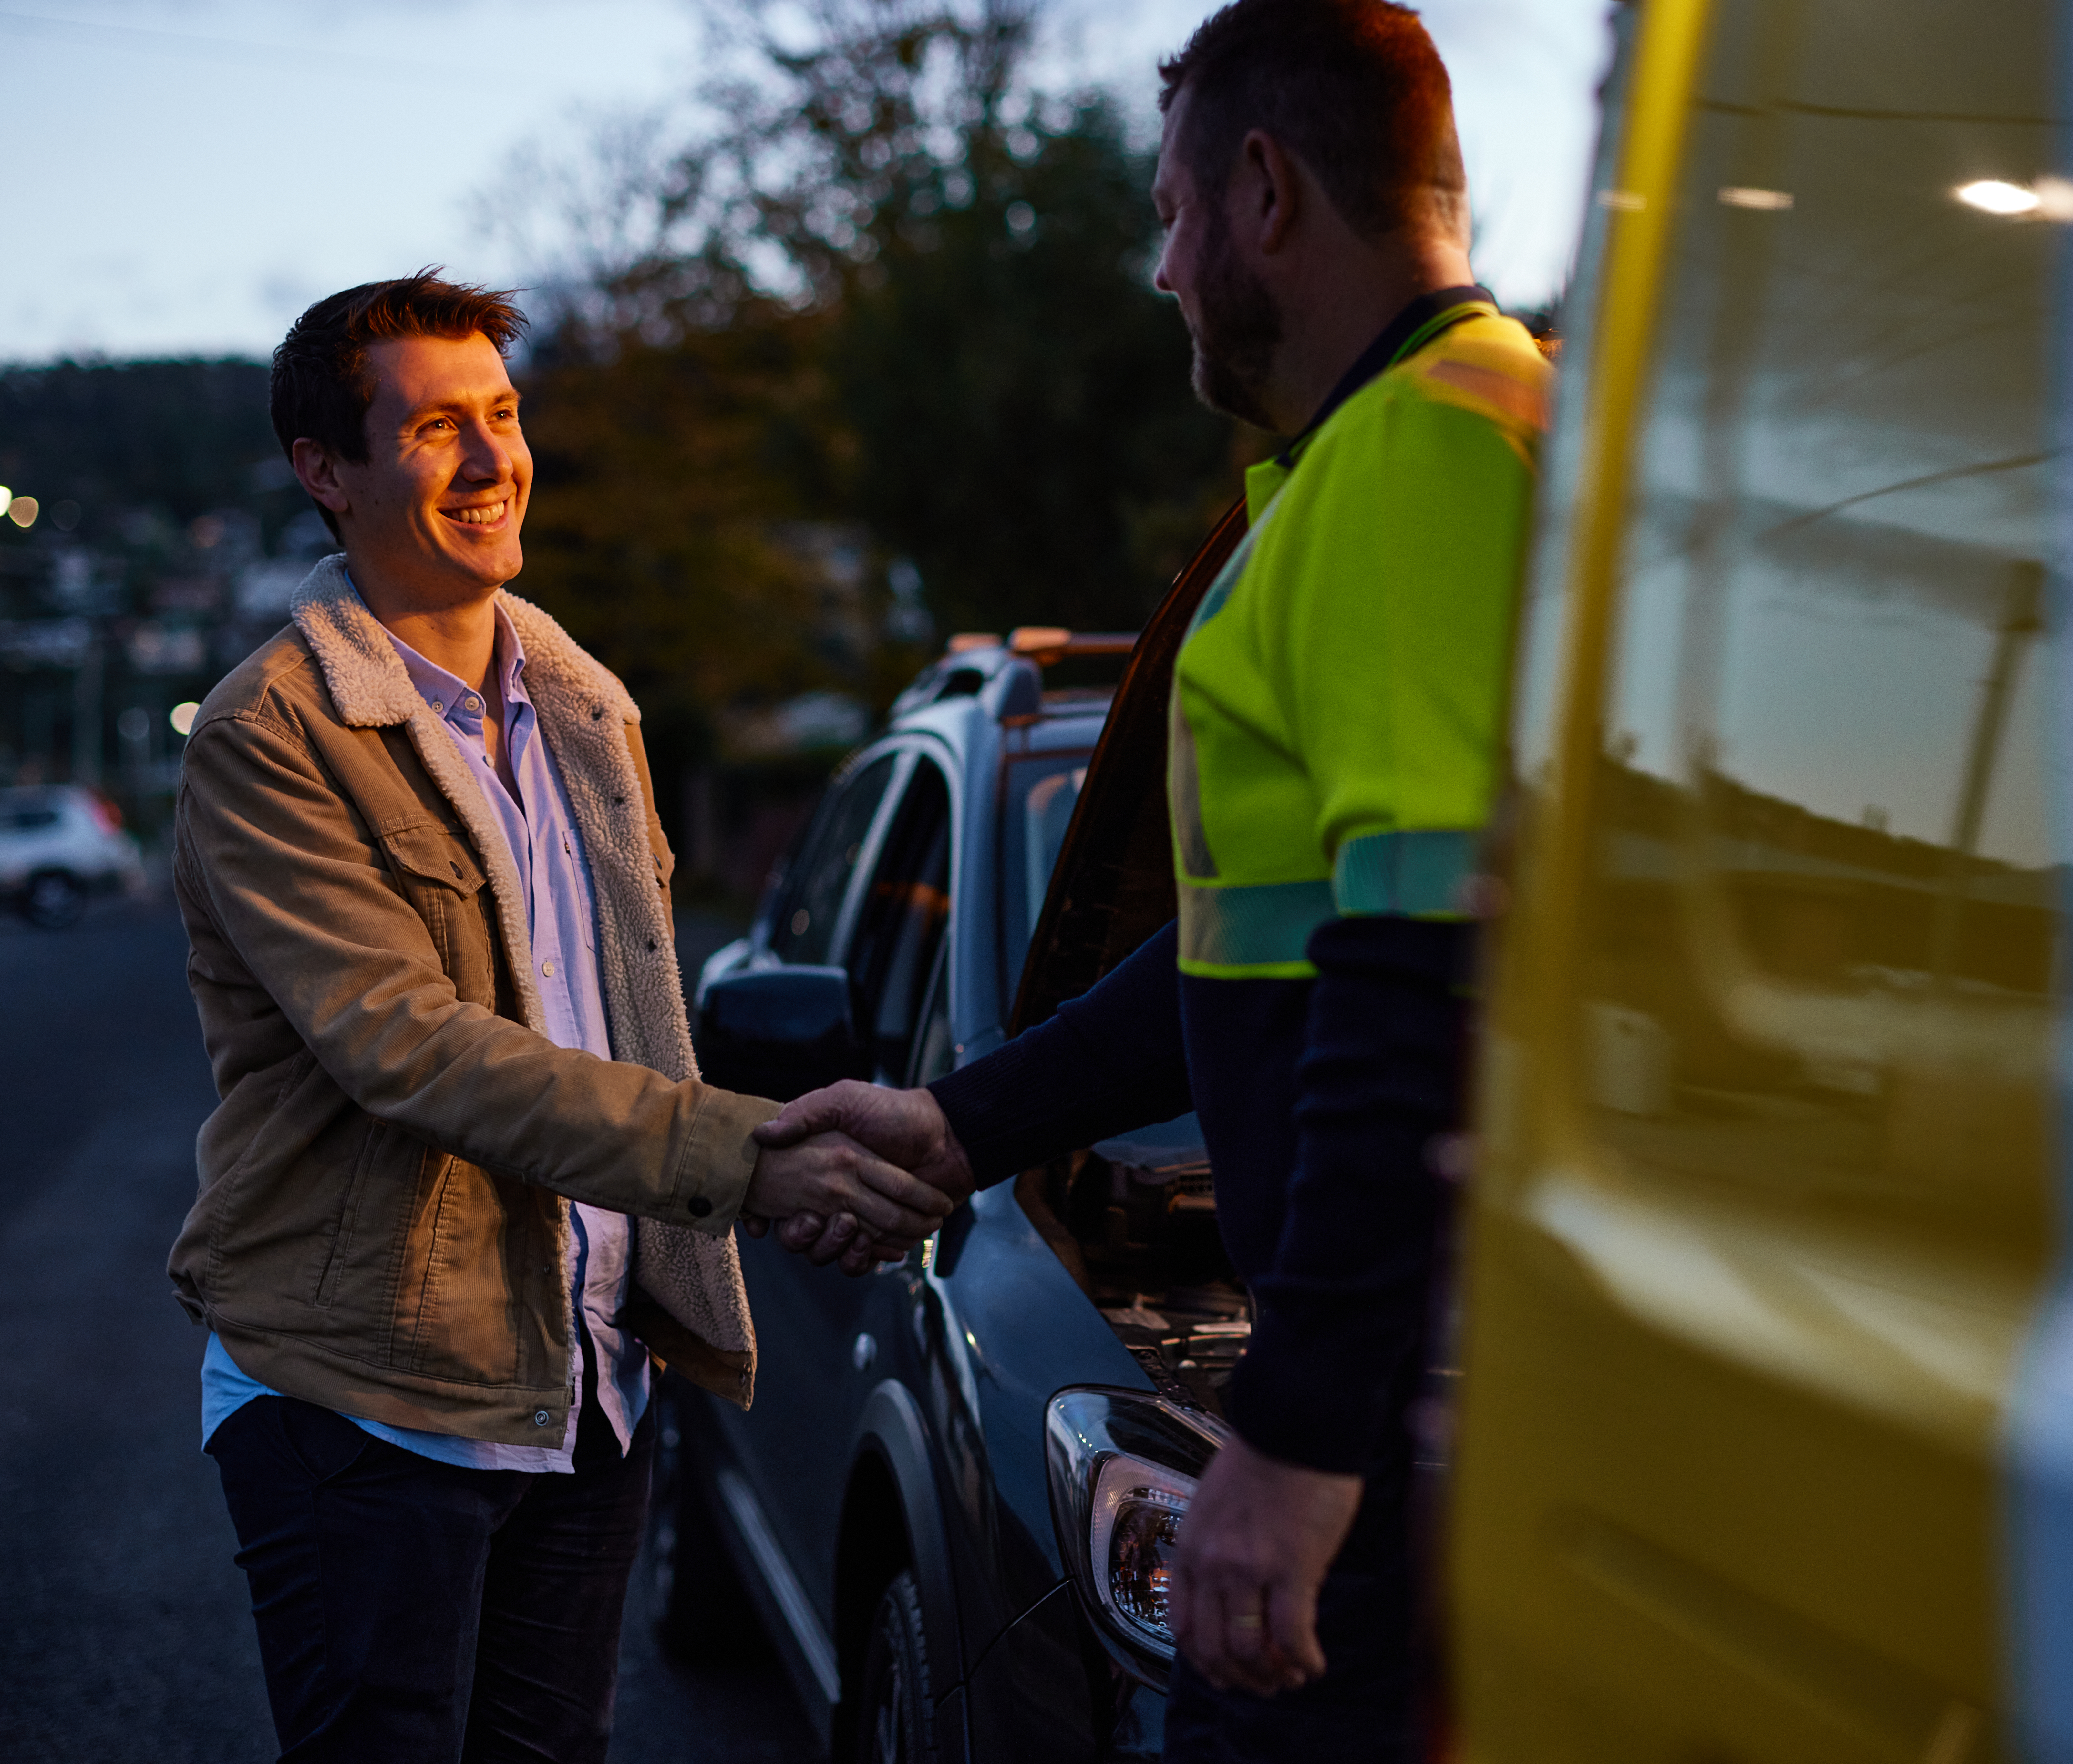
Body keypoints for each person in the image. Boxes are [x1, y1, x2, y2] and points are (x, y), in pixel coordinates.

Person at [757, 3, 1550, 1759]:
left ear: (1266, 192)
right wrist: (964, 1122)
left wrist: (1299, 1432)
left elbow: (1426, 983)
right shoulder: (1393, 448)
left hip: (1411, 1427)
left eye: (1174, 213)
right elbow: (1249, 955)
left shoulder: (1423, 448)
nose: (1165, 268)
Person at [167, 272, 951, 1763]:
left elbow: (626, 1011)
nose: (491, 461)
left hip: (589, 1380)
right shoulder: (268, 736)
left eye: (506, 418)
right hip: (367, 1395)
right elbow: (410, 1044)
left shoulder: (589, 704)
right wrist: (747, 1158)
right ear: (324, 471)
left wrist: (763, 1162)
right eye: (437, 427)